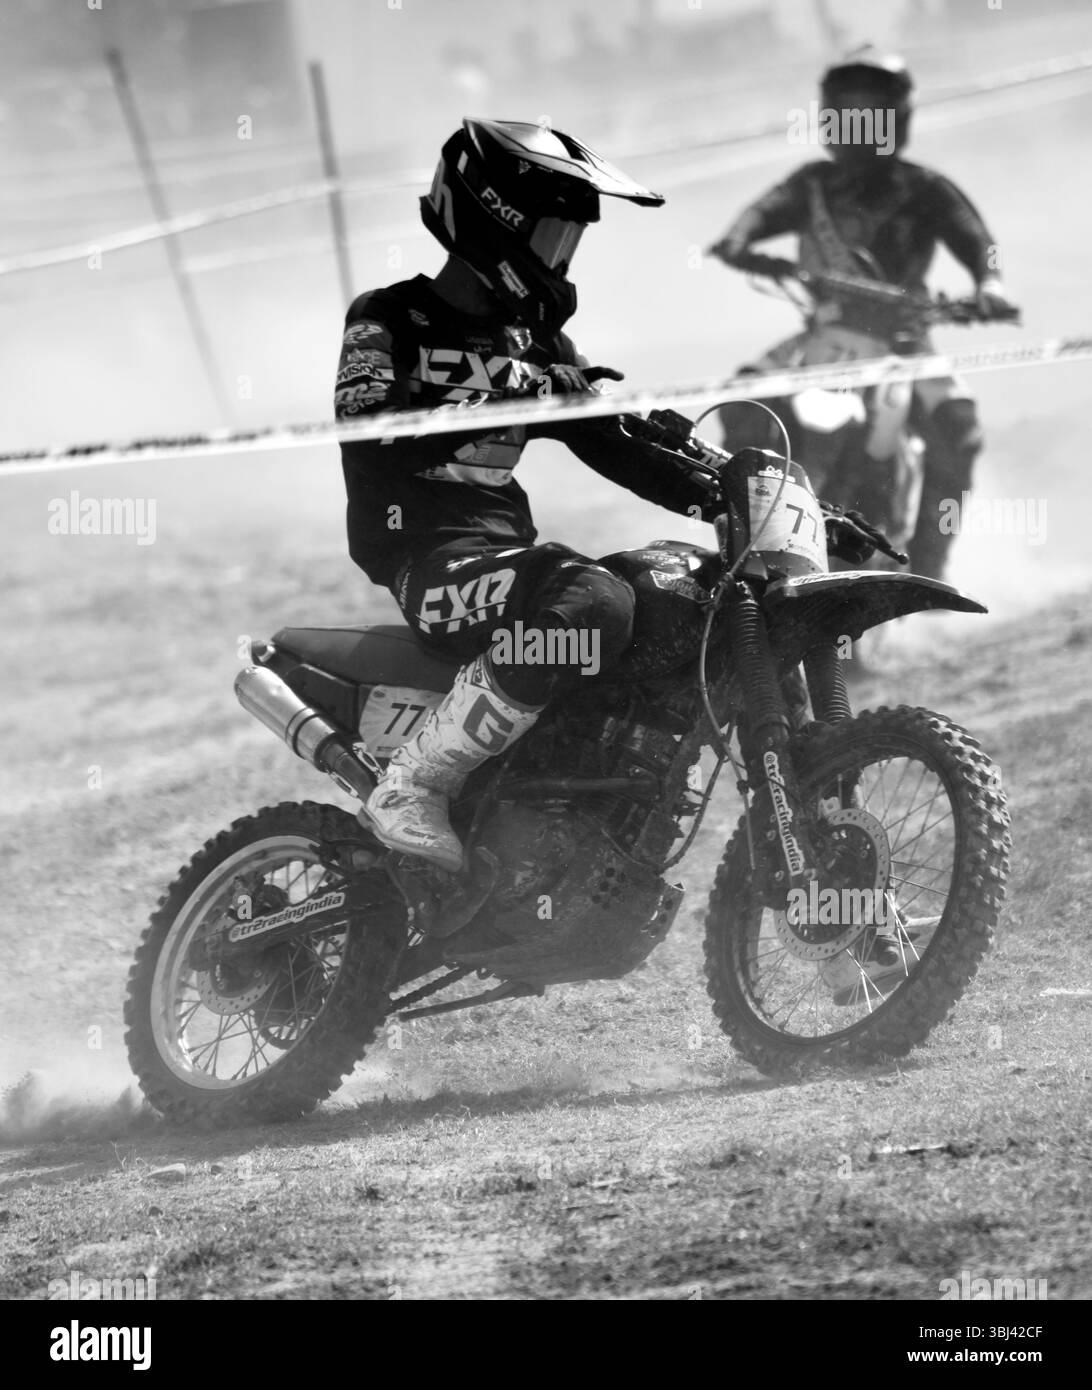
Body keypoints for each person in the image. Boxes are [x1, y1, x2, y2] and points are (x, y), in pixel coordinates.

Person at [336, 118, 729, 874]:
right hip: (430, 564)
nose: (562, 257)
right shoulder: (388, 317)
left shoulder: (535, 346)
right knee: (592, 598)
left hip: (502, 560)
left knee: (679, 595)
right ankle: (414, 781)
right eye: (553, 236)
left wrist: (721, 490)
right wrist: (507, 392)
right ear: (495, 225)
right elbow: (367, 427)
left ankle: (571, 806)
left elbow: (611, 443)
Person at [708, 46, 1020, 580]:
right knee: (743, 404)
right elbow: (757, 215)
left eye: (871, 112)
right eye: (848, 111)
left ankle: (928, 567)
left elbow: (978, 242)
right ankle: (745, 549)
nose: (859, 125)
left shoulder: (923, 188)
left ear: (897, 121)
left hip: (905, 342)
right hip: (822, 337)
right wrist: (736, 242)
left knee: (958, 429)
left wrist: (989, 284)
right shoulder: (810, 184)